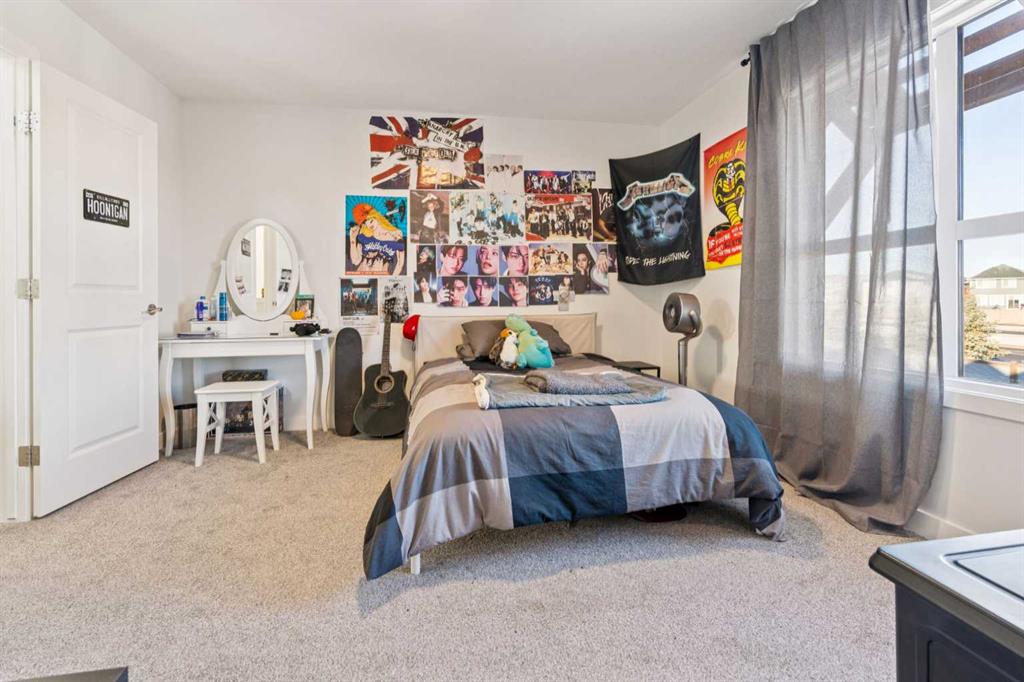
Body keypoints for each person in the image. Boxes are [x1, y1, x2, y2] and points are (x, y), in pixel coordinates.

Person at [347, 202, 405, 275]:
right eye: (365, 223)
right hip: (363, 274)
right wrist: (352, 240)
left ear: (376, 216)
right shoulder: (364, 235)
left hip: (381, 275)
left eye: (371, 221)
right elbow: (355, 261)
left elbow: (400, 263)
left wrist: (392, 279)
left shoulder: (396, 235)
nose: (369, 225)